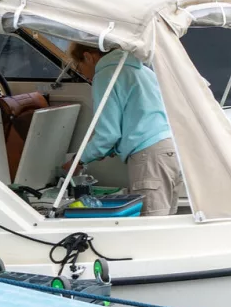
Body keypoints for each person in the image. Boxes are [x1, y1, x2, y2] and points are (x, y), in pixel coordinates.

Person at [66, 42, 182, 217]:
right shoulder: (143, 70)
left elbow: (108, 135)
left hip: (148, 157)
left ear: (89, 57)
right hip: (170, 150)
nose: (80, 72)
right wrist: (115, 147)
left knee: (150, 227)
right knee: (166, 223)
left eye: (78, 65)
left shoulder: (106, 75)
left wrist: (78, 161)